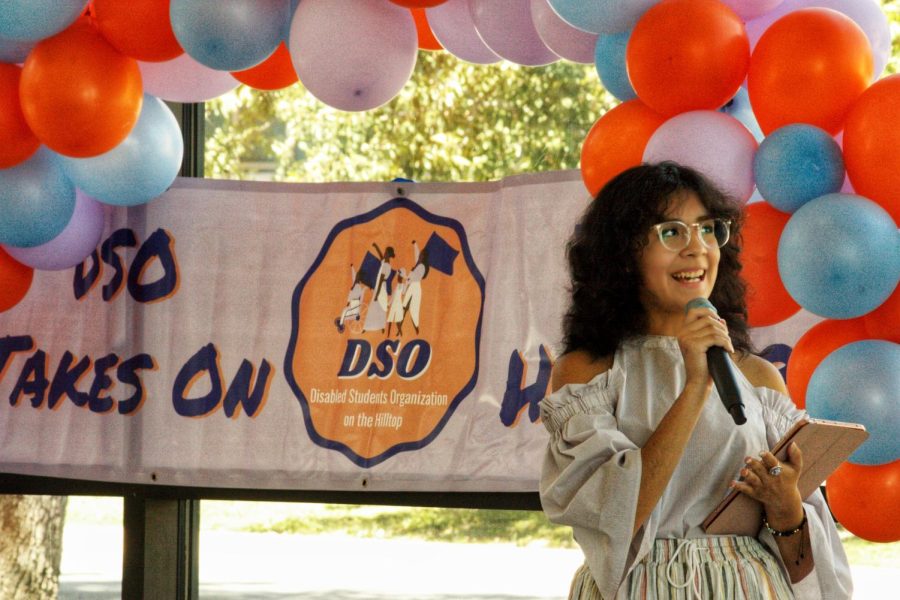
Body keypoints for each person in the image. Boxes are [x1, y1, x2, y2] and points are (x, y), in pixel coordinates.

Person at [539, 162, 852, 599]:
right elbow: (615, 516)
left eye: (708, 230)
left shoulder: (758, 378)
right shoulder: (590, 371)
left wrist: (786, 510)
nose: (696, 249)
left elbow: (805, 564)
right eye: (672, 232)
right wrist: (694, 386)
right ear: (624, 254)